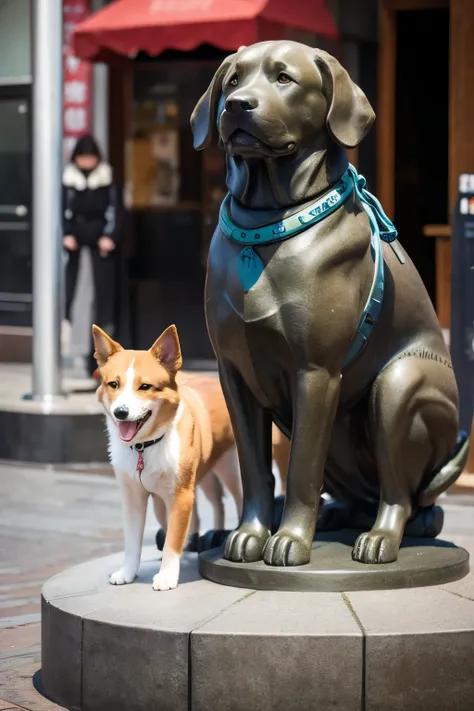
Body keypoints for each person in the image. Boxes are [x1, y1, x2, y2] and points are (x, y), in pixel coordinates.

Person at [62, 135, 120, 377]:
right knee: (72, 295)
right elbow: (61, 210)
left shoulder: (107, 178)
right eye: (82, 157)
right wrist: (66, 235)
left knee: (102, 298)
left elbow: (115, 210)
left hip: (101, 246)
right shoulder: (68, 179)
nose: (86, 162)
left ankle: (99, 357)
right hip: (74, 246)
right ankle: (69, 352)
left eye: (90, 157)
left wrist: (110, 236)